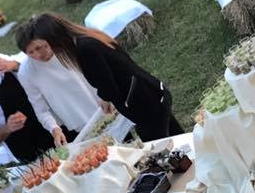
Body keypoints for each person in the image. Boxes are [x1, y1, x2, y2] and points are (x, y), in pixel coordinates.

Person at [21, 13, 183, 141]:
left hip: (144, 103)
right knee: (178, 141)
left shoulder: (85, 48)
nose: (47, 50)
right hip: (148, 94)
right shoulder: (88, 37)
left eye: (46, 45)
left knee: (169, 149)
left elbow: (108, 86)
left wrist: (104, 97)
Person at [14, 21, 115, 146]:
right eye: (31, 52)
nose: (38, 55)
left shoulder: (66, 46)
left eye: (39, 47)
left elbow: (99, 71)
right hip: (79, 121)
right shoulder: (26, 73)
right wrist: (53, 128)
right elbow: (41, 109)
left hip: (104, 102)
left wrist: (106, 94)